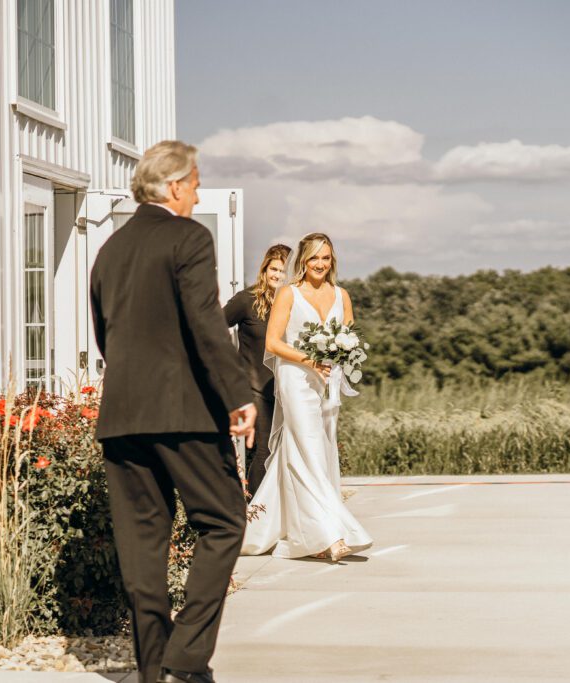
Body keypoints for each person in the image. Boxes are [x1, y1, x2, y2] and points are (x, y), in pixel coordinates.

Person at [90, 140, 256, 683]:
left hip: (121, 416)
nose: (199, 191)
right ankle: (183, 661)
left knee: (142, 546)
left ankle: (152, 670)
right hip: (183, 414)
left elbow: (106, 336)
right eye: (196, 182)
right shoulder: (189, 236)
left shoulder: (108, 250)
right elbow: (206, 323)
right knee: (225, 521)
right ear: (175, 186)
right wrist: (238, 394)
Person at [240, 233, 373, 561]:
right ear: (302, 260)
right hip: (297, 380)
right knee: (309, 449)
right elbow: (273, 343)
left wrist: (340, 352)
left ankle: (276, 528)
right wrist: (310, 359)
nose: (320, 264)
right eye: (314, 257)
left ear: (332, 261)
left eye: (325, 258)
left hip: (327, 384)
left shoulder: (342, 295)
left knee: (317, 451)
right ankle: (329, 534)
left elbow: (349, 335)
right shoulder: (289, 294)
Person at [223, 243, 291, 494]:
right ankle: (256, 512)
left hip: (285, 387)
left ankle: (278, 509)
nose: (277, 275)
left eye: (283, 271)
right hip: (255, 388)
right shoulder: (246, 300)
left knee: (286, 450)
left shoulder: (293, 304)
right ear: (265, 269)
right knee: (265, 449)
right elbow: (214, 329)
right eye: (274, 268)